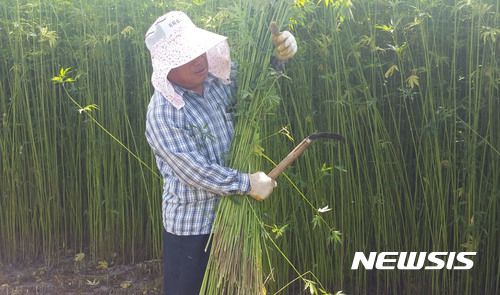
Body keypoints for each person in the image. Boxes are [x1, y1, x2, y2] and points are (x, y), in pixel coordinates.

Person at [144, 11, 297, 295]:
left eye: (197, 50)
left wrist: (279, 57)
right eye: (185, 56)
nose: (199, 60)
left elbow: (259, 83)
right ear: (166, 64)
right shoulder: (163, 112)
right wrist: (247, 183)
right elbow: (195, 170)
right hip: (193, 227)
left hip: (235, 216)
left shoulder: (221, 79)